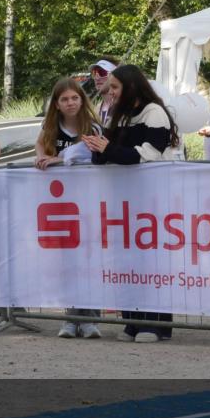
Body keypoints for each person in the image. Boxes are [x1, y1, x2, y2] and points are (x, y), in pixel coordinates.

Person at [83, 64, 179, 343]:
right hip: (123, 200)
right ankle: (132, 321)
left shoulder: (155, 113)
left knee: (150, 261)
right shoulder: (120, 116)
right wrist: (97, 149)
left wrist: (108, 149)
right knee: (126, 261)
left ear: (130, 87)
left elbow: (146, 154)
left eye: (115, 87)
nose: (109, 92)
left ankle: (156, 324)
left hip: (151, 199)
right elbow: (110, 154)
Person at [34, 78, 104, 338]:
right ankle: (71, 317)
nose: (70, 103)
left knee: (89, 260)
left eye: (74, 98)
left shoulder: (92, 127)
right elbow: (40, 144)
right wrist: (41, 156)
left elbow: (89, 154)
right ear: (57, 104)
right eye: (64, 99)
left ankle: (89, 319)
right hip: (61, 204)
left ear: (82, 100)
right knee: (67, 260)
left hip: (89, 202)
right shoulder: (51, 125)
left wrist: (58, 158)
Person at [90, 58, 118, 125]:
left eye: (102, 73)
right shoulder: (95, 109)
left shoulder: (124, 106)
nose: (97, 78)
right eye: (94, 73)